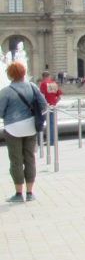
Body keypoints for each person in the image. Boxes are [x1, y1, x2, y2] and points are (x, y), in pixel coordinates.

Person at [1, 61, 47, 202]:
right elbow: (44, 105)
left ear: (9, 75)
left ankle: (18, 193)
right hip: (30, 127)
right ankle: (30, 192)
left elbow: (1, 112)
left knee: (16, 160)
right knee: (30, 158)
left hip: (13, 128)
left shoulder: (6, 91)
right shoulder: (32, 86)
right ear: (24, 73)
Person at [38, 70, 62, 145]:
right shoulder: (54, 84)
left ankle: (39, 140)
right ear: (49, 76)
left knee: (40, 123)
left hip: (45, 107)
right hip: (53, 106)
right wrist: (54, 103)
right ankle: (52, 140)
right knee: (52, 124)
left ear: (43, 77)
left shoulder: (43, 84)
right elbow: (59, 97)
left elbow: (42, 96)